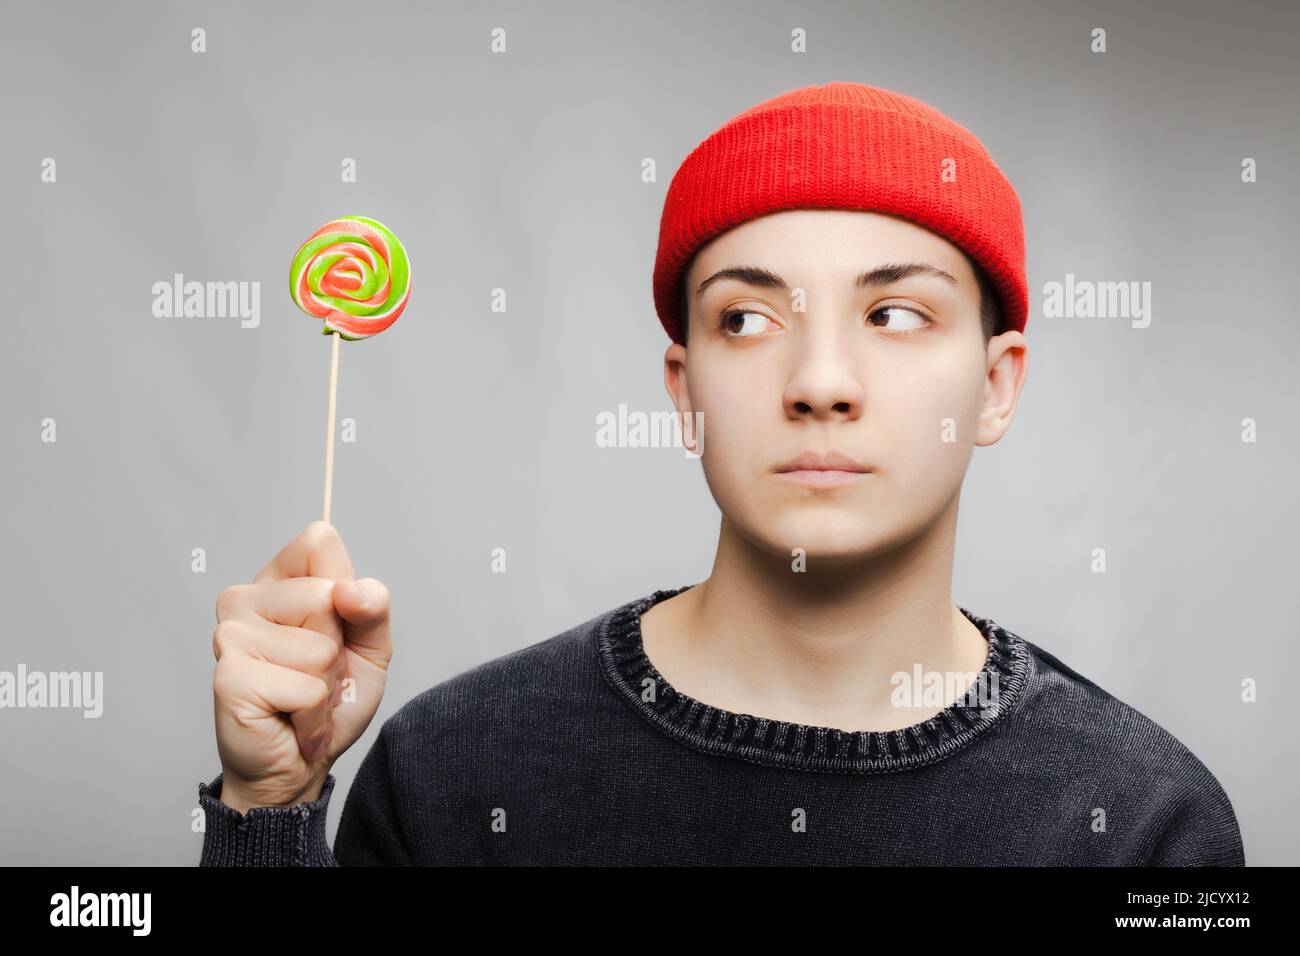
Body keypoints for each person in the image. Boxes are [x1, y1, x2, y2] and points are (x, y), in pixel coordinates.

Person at [198, 82, 1245, 866]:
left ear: (996, 384)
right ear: (684, 387)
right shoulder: (454, 772)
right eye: (747, 318)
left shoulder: (1142, 818)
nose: (821, 380)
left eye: (894, 313)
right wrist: (267, 807)